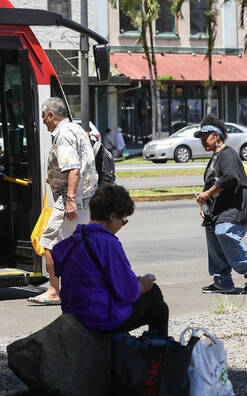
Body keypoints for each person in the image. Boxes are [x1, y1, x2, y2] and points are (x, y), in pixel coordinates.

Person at [52, 185, 168, 334]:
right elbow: (128, 292)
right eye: (123, 219)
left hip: (73, 312)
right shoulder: (107, 242)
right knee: (157, 302)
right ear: (112, 216)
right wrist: (142, 285)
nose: (122, 225)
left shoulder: (76, 238)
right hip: (97, 318)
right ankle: (157, 352)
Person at [28, 97, 98, 305]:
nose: (43, 122)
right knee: (76, 244)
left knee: (49, 242)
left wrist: (69, 200)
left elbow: (74, 168)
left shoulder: (64, 134)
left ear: (51, 115)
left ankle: (54, 291)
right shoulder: (76, 129)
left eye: (44, 117)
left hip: (73, 196)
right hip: (84, 195)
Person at [194, 114, 247, 294]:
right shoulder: (214, 159)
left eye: (206, 136)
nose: (203, 140)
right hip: (220, 207)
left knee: (224, 232)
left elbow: (230, 178)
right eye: (201, 137)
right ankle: (222, 281)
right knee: (212, 233)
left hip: (237, 203)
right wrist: (207, 207)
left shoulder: (228, 154)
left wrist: (207, 193)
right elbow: (215, 184)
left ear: (217, 136)